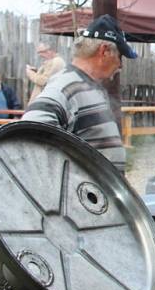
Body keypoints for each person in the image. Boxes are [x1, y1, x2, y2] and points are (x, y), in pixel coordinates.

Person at [22, 14, 137, 172]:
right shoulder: (65, 86)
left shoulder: (88, 85)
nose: (120, 65)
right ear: (104, 51)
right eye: (119, 56)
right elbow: (28, 136)